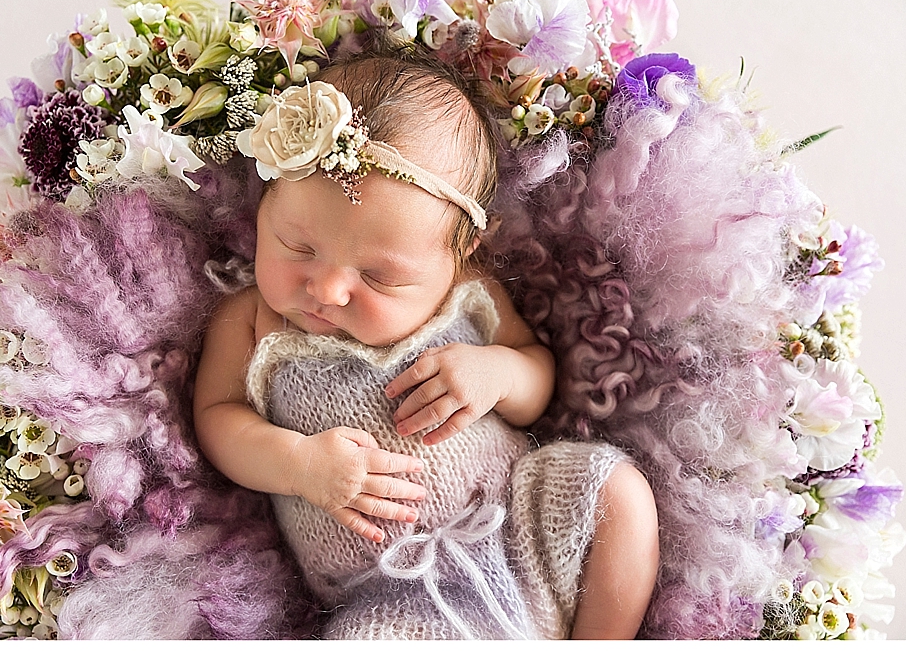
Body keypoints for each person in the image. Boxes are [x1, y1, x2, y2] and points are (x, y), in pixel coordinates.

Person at [193, 51, 659, 640]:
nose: (328, 289)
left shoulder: (467, 294)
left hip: (523, 518)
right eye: (296, 247)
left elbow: (537, 381)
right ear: (264, 209)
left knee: (619, 494)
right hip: (390, 589)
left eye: (380, 277)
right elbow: (217, 419)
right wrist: (299, 466)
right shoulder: (252, 320)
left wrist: (496, 373)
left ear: (457, 256)